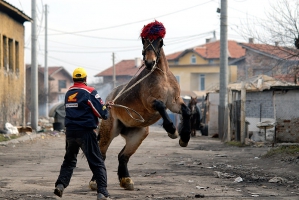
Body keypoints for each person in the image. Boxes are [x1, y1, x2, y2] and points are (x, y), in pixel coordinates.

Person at [54, 67, 113, 200]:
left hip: (70, 132)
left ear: (74, 79)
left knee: (69, 161)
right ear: (85, 79)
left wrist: (104, 106)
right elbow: (102, 114)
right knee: (97, 162)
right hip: (86, 132)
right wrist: (106, 109)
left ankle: (60, 185)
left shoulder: (68, 92)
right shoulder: (90, 91)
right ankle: (102, 192)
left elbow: (83, 108)